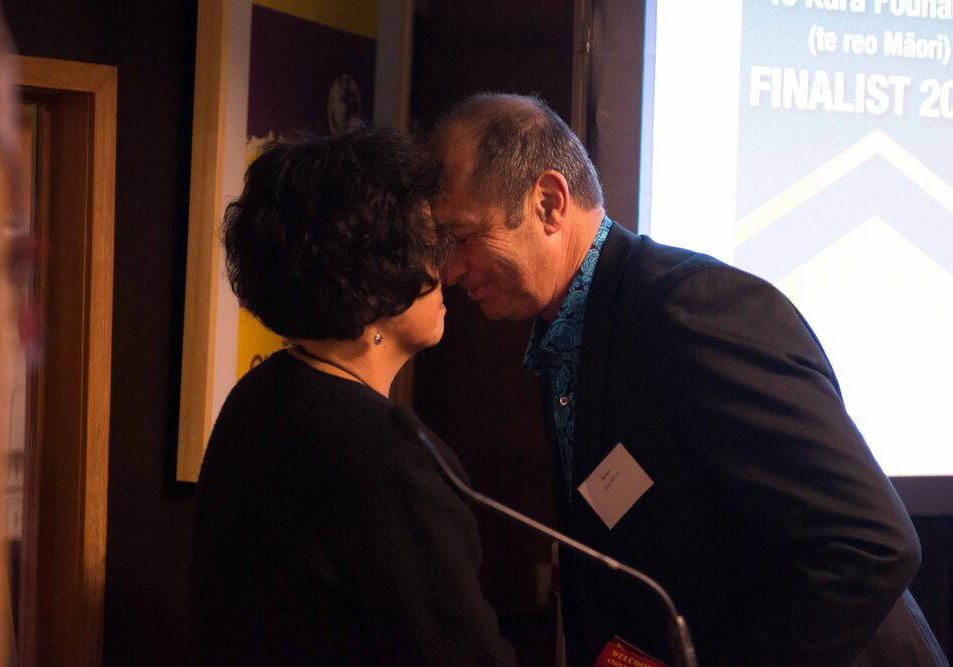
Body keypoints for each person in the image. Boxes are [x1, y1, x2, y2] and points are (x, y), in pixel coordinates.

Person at [429, 93, 948, 667]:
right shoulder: (569, 332)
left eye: (463, 237)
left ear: (549, 203)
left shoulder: (692, 309)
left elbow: (872, 544)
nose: (450, 270)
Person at [189, 126, 516, 666]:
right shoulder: (394, 460)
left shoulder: (261, 393)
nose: (446, 269)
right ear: (376, 282)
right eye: (430, 247)